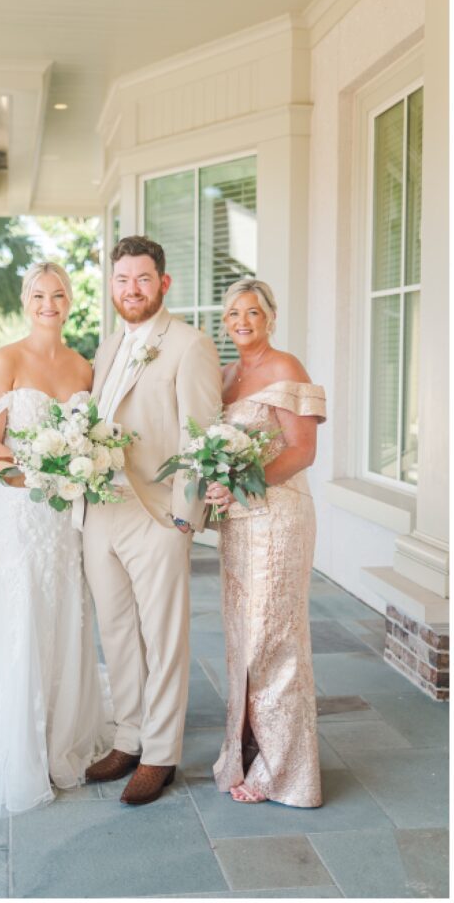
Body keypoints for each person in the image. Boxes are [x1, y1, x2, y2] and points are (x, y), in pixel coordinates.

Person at [0, 261, 108, 816]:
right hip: (20, 510)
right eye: (39, 294)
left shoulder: (85, 366)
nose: (48, 304)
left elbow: (92, 438)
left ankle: (61, 734)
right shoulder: (3, 360)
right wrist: (37, 478)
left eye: (59, 294)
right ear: (27, 299)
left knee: (63, 609)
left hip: (66, 519)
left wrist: (75, 475)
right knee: (23, 610)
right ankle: (18, 746)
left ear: (70, 300)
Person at [83, 236, 222, 806]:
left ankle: (161, 754)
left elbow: (202, 436)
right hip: (102, 511)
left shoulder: (190, 344)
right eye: (121, 280)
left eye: (142, 279)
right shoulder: (108, 344)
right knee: (115, 632)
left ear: (163, 283)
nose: (131, 289)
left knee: (163, 639)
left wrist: (185, 519)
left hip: (158, 513)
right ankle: (130, 737)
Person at [205, 277, 325, 808]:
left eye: (252, 312)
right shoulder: (227, 377)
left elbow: (300, 451)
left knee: (274, 640)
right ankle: (246, 750)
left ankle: (284, 774)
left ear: (270, 317)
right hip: (238, 526)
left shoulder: (286, 368)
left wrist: (241, 483)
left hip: (277, 518)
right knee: (242, 642)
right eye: (233, 313)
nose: (242, 321)